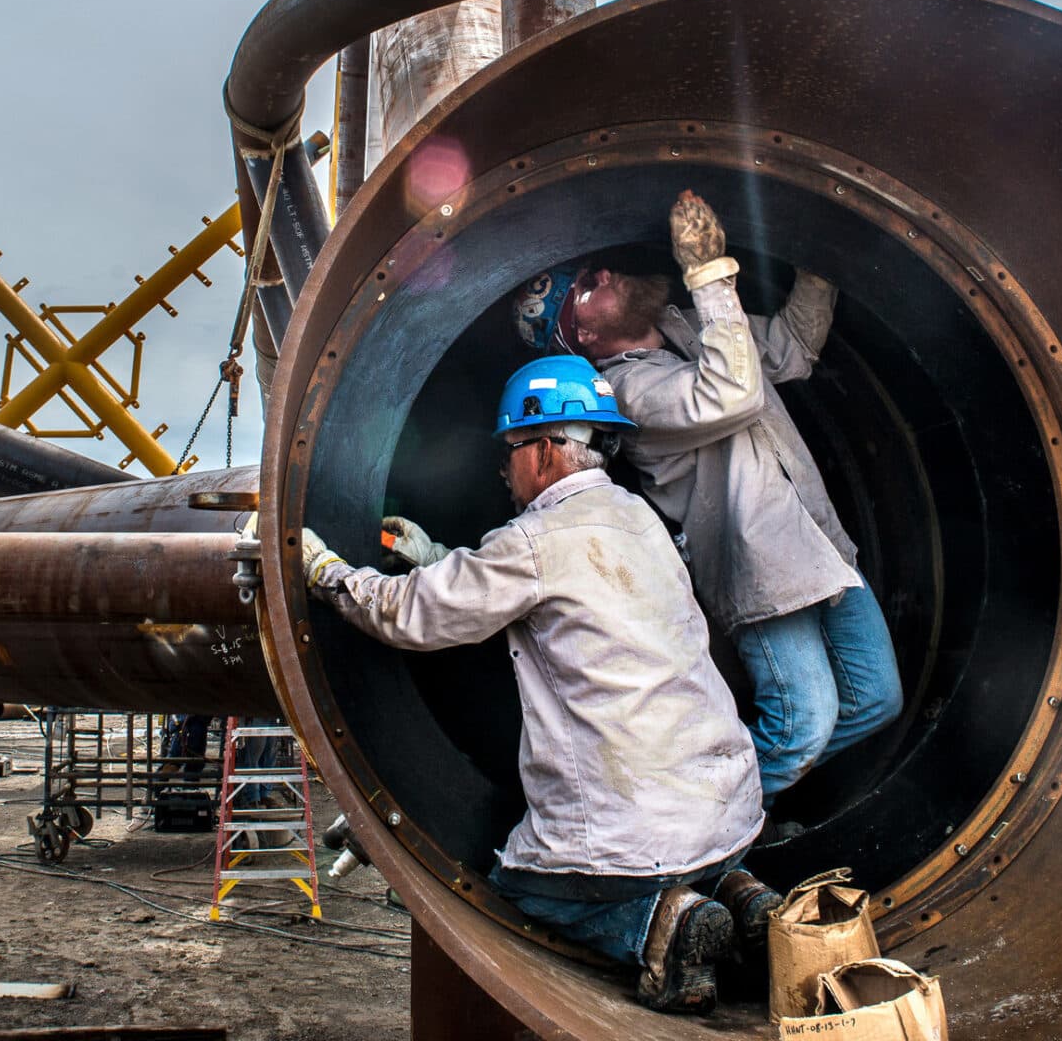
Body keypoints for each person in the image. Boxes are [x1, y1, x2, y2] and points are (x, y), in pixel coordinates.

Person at [301, 355, 779, 1014]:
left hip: (628, 830)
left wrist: (324, 571)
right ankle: (740, 893)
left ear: (549, 450)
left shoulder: (534, 537)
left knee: (522, 885)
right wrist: (438, 561)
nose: (505, 467)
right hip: (727, 806)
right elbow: (559, 599)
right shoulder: (641, 520)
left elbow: (408, 616)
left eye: (512, 449)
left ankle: (665, 929)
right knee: (690, 850)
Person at [520, 191, 903, 810]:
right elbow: (732, 394)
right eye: (587, 284)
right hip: (761, 564)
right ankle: (715, 831)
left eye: (598, 269)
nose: (605, 272)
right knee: (804, 723)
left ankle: (732, 801)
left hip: (819, 542)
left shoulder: (689, 327)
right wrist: (707, 274)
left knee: (875, 700)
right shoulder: (620, 392)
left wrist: (820, 256)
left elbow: (791, 352)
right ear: (583, 334)